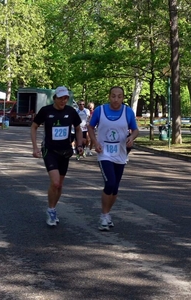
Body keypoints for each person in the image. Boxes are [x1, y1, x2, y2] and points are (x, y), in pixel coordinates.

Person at [88, 86, 139, 231]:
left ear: (123, 98)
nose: (116, 99)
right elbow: (90, 127)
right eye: (113, 96)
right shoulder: (100, 110)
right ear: (109, 96)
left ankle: (107, 214)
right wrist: (95, 143)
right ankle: (103, 216)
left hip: (121, 154)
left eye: (119, 96)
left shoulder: (127, 112)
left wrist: (131, 137)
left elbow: (135, 130)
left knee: (115, 188)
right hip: (104, 153)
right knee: (109, 183)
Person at [31, 86, 83, 227]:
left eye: (65, 98)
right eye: (60, 98)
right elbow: (34, 126)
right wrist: (35, 147)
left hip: (65, 152)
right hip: (50, 151)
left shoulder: (71, 111)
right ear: (55, 98)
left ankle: (53, 207)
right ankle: (51, 210)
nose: (63, 100)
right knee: (55, 182)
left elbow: (78, 129)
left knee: (59, 185)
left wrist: (79, 145)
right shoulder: (46, 111)